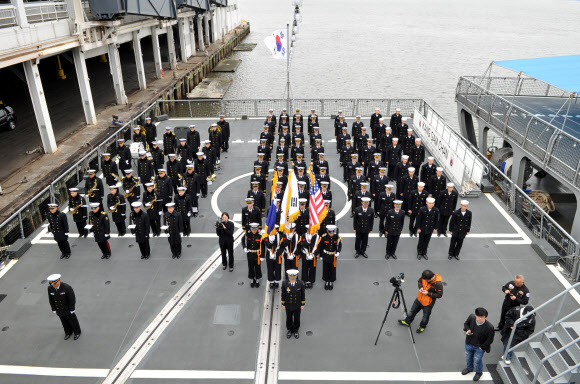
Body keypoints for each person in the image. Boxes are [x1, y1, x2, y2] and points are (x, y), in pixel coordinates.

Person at [398, 269, 443, 333]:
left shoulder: (438, 284)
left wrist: (428, 293)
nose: (425, 281)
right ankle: (407, 322)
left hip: (428, 304)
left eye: (427, 280)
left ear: (431, 278)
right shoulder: (424, 277)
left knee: (425, 317)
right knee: (412, 312)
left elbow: (439, 295)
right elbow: (419, 281)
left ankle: (422, 327)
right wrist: (421, 287)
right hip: (419, 299)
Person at [462, 307, 495, 382]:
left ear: (485, 317)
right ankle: (469, 368)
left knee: (477, 360)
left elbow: (490, 340)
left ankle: (479, 372)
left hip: (479, 347)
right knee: (468, 357)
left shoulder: (490, 327)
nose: (480, 319)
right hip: (469, 343)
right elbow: (466, 324)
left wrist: (482, 347)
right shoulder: (471, 317)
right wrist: (468, 329)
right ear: (475, 315)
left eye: (482, 317)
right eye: (478, 317)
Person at [47, 274, 81, 340]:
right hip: (59, 308)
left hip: (67, 308)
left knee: (72, 321)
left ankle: (77, 332)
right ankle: (68, 332)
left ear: (59, 280)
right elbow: (51, 299)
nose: (53, 285)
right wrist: (53, 309)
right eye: (52, 284)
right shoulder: (50, 288)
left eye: (55, 284)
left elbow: (72, 299)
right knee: (64, 321)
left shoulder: (66, 288)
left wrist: (72, 309)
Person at [314, 224, 342, 291]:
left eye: (332, 232)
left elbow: (339, 245)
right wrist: (317, 254)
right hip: (326, 255)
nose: (331, 234)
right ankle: (326, 281)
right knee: (326, 269)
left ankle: (331, 281)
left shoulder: (337, 237)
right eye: (329, 232)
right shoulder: (323, 237)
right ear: (327, 231)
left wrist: (338, 252)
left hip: (333, 256)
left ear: (334, 231)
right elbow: (320, 247)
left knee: (332, 269)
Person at [281, 269, 305, 339]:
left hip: (297, 304)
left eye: (293, 278)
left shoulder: (300, 283)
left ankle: (295, 330)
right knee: (289, 318)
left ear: (296, 277)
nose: (292, 280)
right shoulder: (285, 283)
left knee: (297, 318)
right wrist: (283, 304)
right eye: (290, 278)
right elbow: (283, 294)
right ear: (288, 277)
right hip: (288, 304)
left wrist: (302, 304)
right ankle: (289, 329)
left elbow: (303, 294)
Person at [242, 223, 263, 288]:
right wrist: (244, 247)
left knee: (257, 267)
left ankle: (257, 280)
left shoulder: (260, 236)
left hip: (257, 254)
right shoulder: (248, 235)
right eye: (253, 229)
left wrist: (262, 255)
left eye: (255, 229)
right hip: (250, 253)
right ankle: (252, 279)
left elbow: (262, 246)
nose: (254, 231)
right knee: (250, 267)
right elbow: (243, 240)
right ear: (251, 229)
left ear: (257, 229)